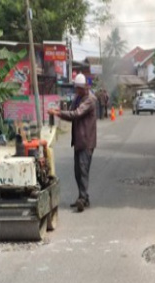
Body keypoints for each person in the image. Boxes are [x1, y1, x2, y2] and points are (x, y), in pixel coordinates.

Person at [48, 73, 97, 212]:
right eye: (76, 88)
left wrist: (58, 113)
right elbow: (71, 114)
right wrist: (60, 112)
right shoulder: (78, 98)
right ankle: (84, 197)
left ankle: (82, 198)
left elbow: (76, 114)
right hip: (78, 141)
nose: (77, 91)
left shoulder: (90, 100)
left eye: (79, 88)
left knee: (83, 170)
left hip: (86, 141)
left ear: (84, 87)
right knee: (77, 171)